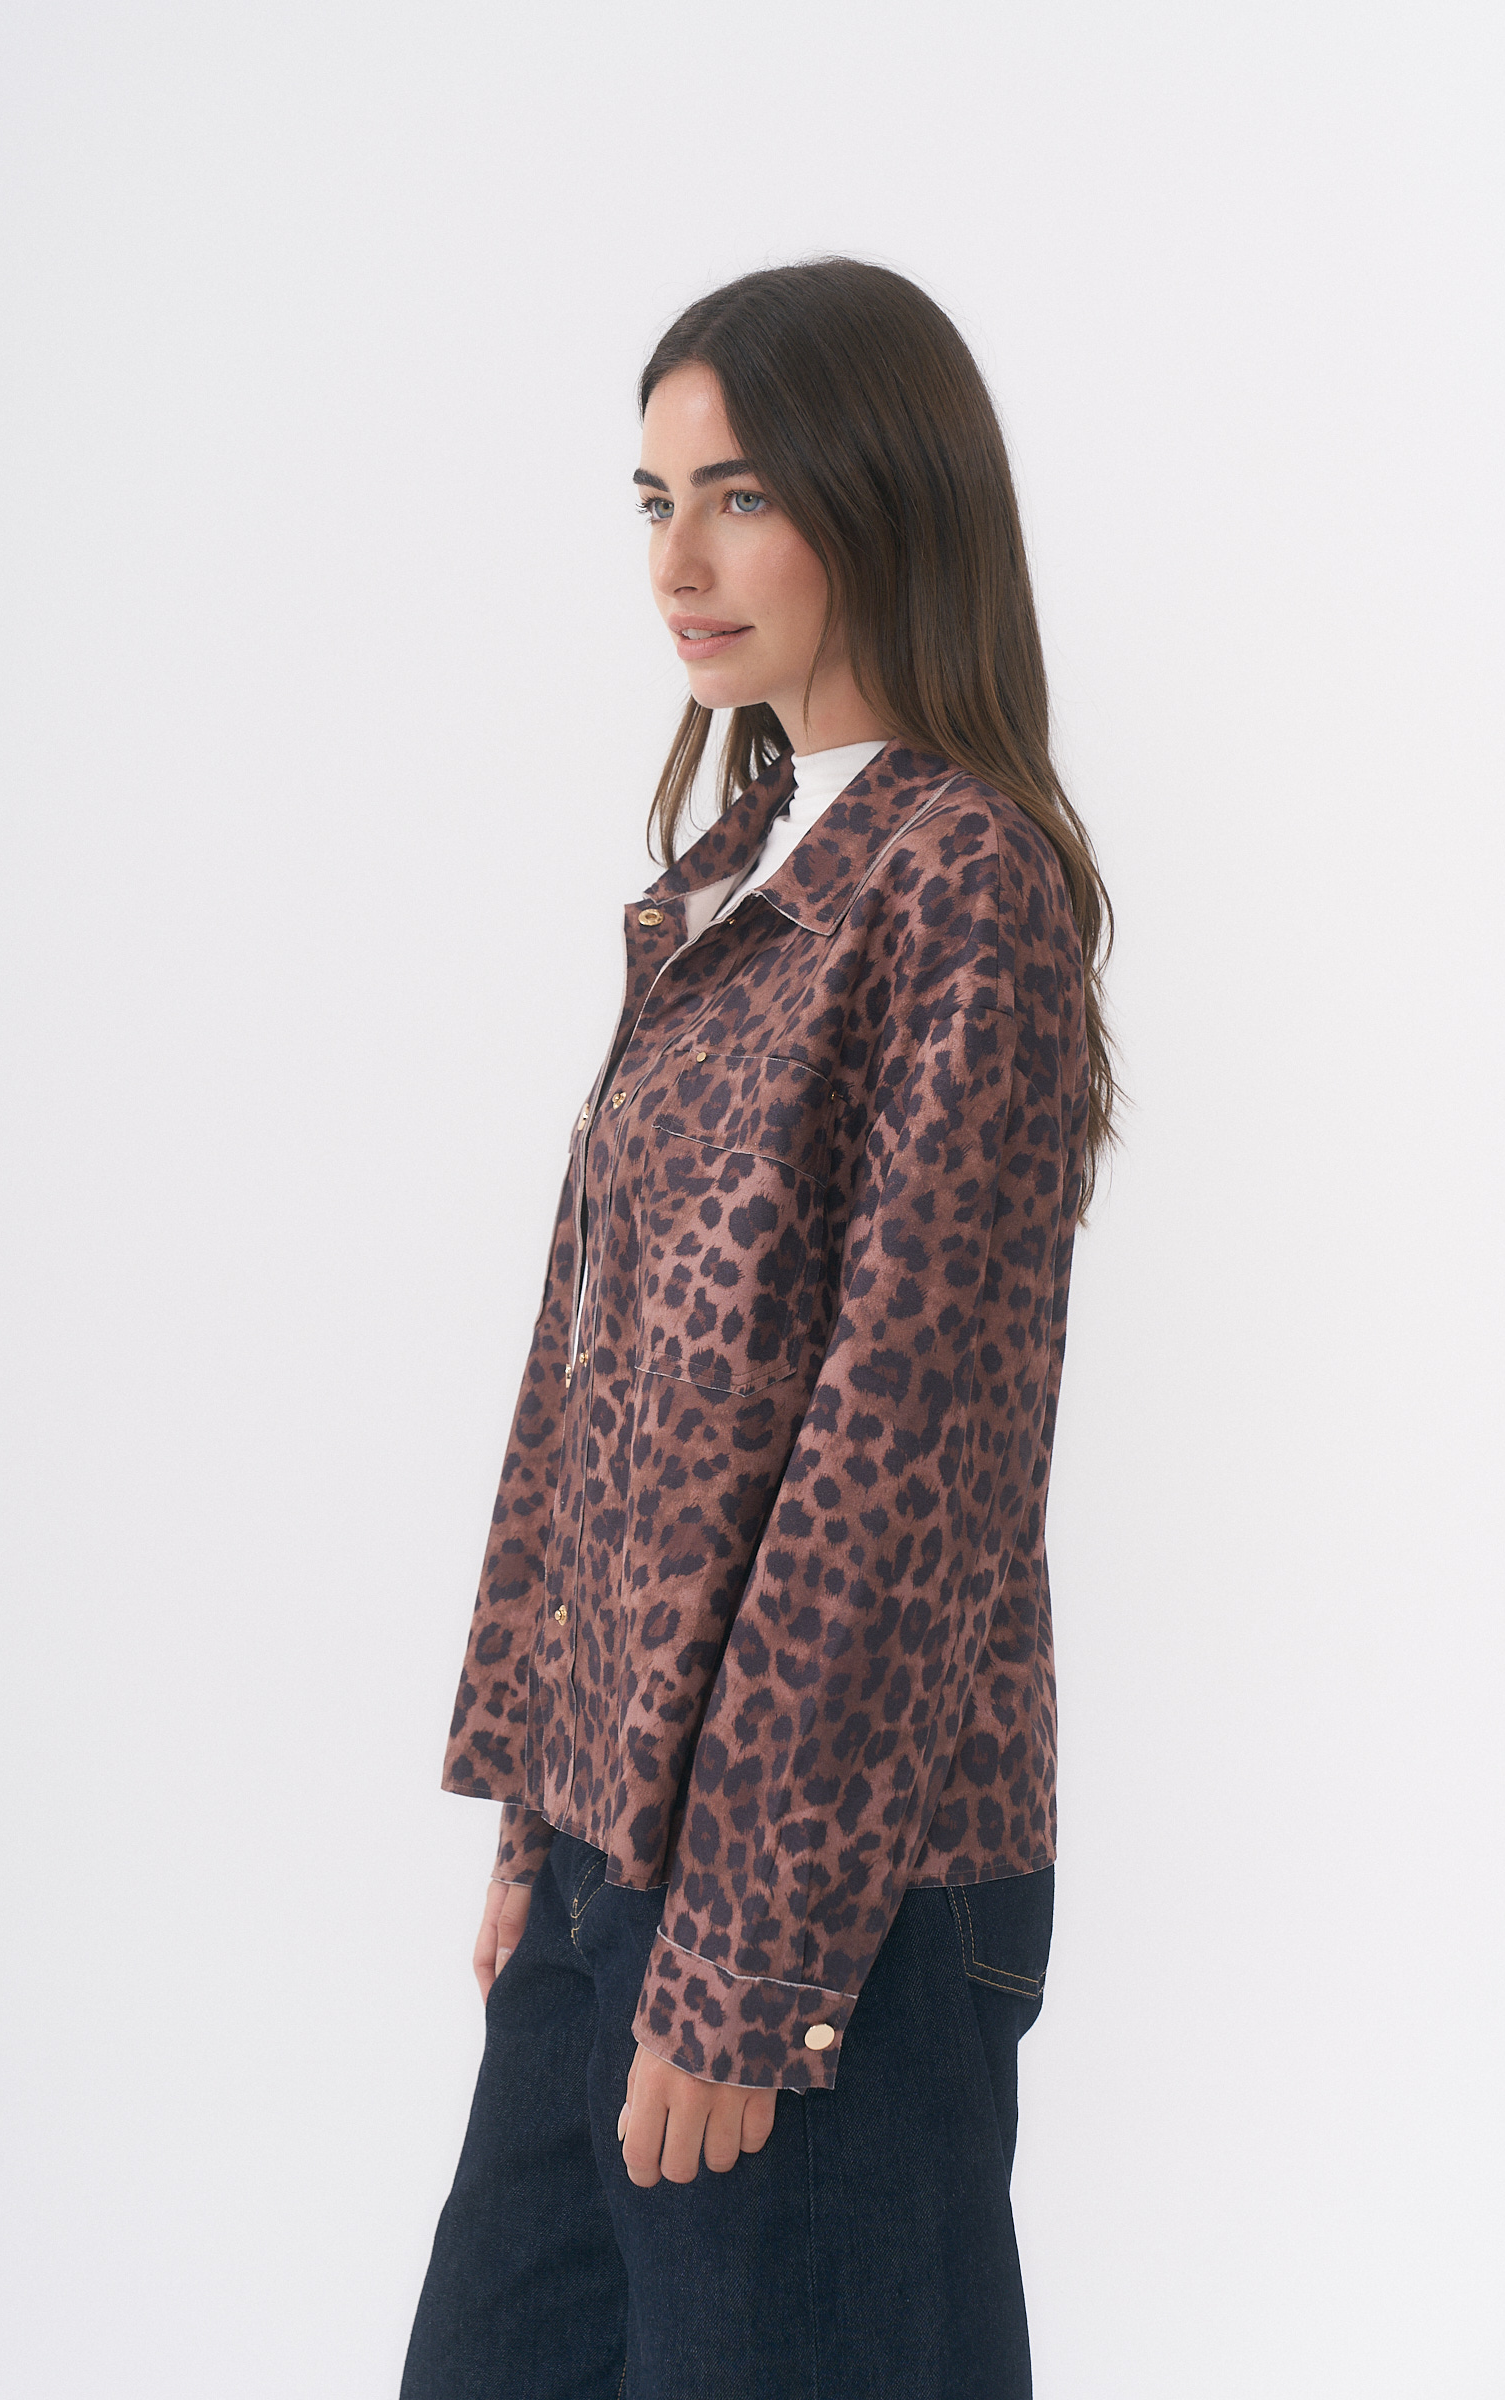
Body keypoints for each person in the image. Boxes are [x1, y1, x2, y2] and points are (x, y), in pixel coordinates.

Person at [400, 256, 1117, 2400]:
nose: (678, 563)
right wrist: (539, 1816)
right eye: (653, 501)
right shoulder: (734, 869)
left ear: (882, 500)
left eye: (739, 496)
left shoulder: (958, 882)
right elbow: (598, 1387)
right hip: (622, 1853)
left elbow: (904, 1477)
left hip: (827, 1902)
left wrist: (748, 1963)